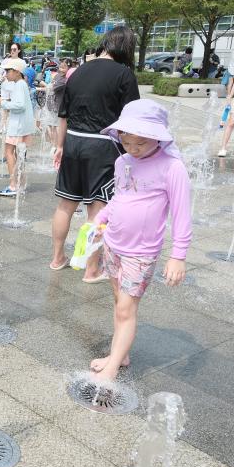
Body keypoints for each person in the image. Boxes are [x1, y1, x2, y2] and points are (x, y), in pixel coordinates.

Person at [88, 99, 191, 382]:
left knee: (126, 308)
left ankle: (111, 368)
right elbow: (119, 197)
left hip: (141, 252)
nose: (132, 149)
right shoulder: (123, 162)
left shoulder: (172, 168)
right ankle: (119, 354)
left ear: (158, 137)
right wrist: (100, 220)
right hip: (113, 243)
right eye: (127, 142)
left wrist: (178, 255)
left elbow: (182, 214)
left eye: (140, 144)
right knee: (119, 302)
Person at [50, 25, 140, 281]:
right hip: (101, 146)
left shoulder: (77, 72)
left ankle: (57, 258)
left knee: (65, 204)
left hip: (73, 142)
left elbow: (63, 116)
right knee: (97, 210)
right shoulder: (123, 74)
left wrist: (60, 146)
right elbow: (132, 120)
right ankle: (91, 269)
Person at [0, 58, 36, 196]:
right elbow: (20, 102)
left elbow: (19, 105)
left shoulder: (18, 84)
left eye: (7, 71)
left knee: (9, 153)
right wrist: (4, 101)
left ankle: (13, 186)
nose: (5, 74)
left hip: (17, 127)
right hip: (24, 126)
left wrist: (3, 103)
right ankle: (20, 183)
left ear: (17, 72)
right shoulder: (22, 84)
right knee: (19, 155)